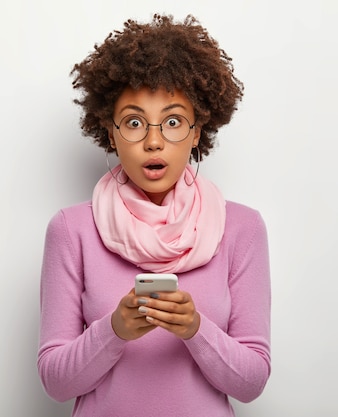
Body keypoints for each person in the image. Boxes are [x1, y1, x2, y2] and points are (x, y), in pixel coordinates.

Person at [37, 14, 271, 417]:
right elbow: (56, 383)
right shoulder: (70, 229)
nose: (154, 141)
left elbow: (251, 384)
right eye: (133, 122)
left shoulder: (242, 229)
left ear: (197, 132)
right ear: (110, 132)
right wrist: (115, 331)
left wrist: (195, 330)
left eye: (174, 121)